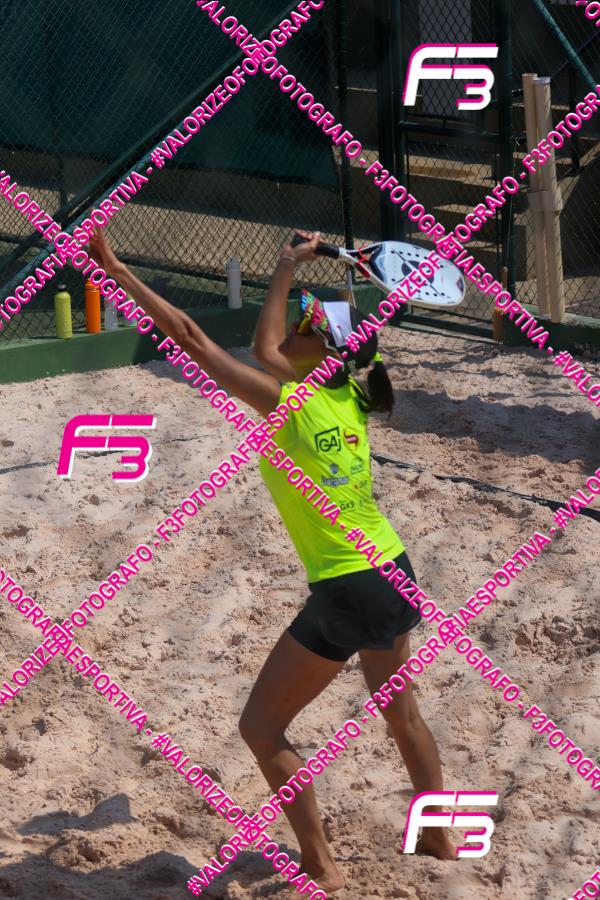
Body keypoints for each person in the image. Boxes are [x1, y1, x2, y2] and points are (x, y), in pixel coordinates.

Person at [88, 227, 455, 893]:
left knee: (261, 727)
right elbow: (266, 347)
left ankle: (321, 865)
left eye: (305, 325)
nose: (292, 330)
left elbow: (193, 339)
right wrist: (286, 262)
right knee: (401, 712)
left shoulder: (291, 406)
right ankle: (439, 836)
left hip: (347, 585)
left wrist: (115, 268)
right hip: (392, 570)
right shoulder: (349, 395)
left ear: (324, 349)